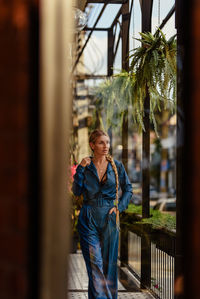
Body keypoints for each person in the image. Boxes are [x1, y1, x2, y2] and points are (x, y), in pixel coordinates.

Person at [72, 129, 133, 299]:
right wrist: (80, 170)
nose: (106, 146)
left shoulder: (117, 166)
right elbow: (76, 190)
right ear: (92, 145)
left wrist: (119, 207)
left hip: (110, 218)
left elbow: (128, 189)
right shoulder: (85, 166)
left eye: (107, 142)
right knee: (95, 264)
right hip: (88, 217)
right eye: (101, 142)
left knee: (109, 266)